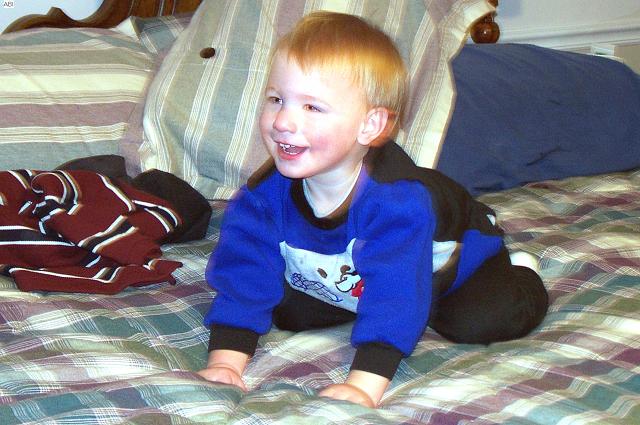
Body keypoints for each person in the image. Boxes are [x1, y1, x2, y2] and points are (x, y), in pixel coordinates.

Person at [197, 11, 548, 408]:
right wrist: (225, 362)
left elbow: (396, 294)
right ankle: (383, 299)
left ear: (369, 126)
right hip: (356, 273)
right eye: (277, 99)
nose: (283, 121)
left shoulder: (397, 203)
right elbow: (243, 276)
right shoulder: (260, 197)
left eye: (312, 107)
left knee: (477, 321)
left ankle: (521, 269)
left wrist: (364, 384)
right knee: (287, 309)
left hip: (457, 260)